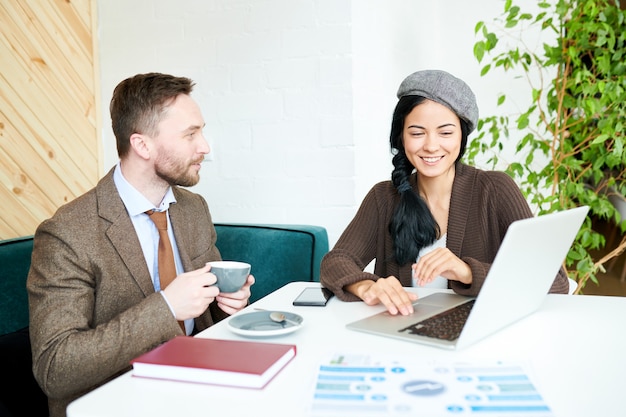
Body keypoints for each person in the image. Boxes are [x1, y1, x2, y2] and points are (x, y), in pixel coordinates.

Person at [26, 72, 255, 417]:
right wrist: (166, 306)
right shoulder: (66, 233)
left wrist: (227, 302)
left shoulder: (194, 209)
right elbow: (55, 367)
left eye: (201, 131)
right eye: (190, 134)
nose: (205, 146)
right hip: (119, 402)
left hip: (199, 386)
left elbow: (205, 317)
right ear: (142, 145)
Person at [320, 69, 569, 316]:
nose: (430, 146)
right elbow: (336, 262)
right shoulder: (383, 197)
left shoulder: (495, 190)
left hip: (478, 334)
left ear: (462, 136)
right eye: (417, 133)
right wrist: (368, 286)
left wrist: (468, 272)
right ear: (401, 137)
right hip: (401, 335)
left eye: (446, 132)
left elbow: (556, 281)